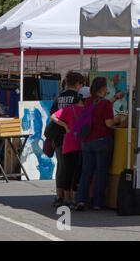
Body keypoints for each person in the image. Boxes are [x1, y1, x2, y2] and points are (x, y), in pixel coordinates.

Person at [75, 77, 125, 211]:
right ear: (103, 88)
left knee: (86, 173)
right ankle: (97, 203)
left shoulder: (89, 101)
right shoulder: (105, 104)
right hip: (102, 141)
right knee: (101, 173)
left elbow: (100, 107)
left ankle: (81, 200)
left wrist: (115, 97)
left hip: (87, 141)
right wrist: (118, 119)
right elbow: (108, 123)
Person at [49, 71, 84, 208]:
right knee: (73, 168)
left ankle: (59, 196)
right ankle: (70, 196)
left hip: (58, 136)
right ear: (78, 84)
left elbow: (52, 115)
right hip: (73, 137)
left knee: (61, 166)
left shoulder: (59, 97)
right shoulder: (78, 98)